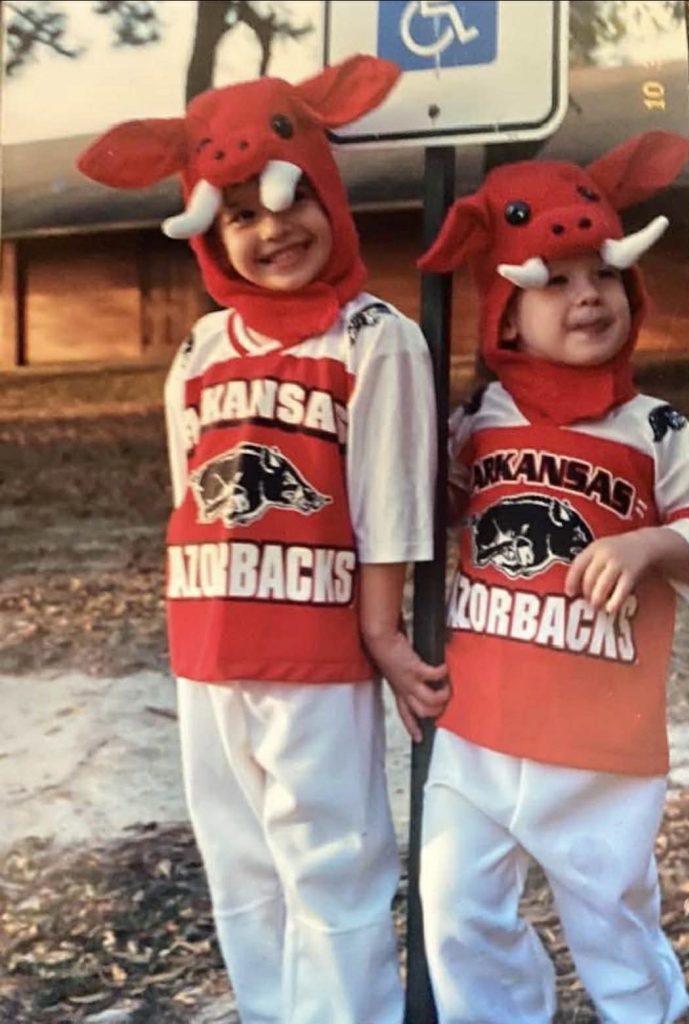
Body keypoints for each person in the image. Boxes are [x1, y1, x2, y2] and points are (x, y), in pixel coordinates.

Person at [77, 55, 448, 1024]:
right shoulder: (200, 347)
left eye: (290, 197)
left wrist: (381, 632)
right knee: (239, 862)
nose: (271, 228)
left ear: (328, 193)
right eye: (239, 215)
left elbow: (390, 497)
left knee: (333, 863)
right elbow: (188, 492)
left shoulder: (373, 337)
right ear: (211, 232)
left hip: (314, 646)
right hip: (209, 647)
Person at [415, 132, 689, 1023]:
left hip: (599, 738)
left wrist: (648, 546)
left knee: (613, 923)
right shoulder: (478, 419)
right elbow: (428, 510)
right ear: (506, 316)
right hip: (478, 724)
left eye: (602, 274)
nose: (588, 294)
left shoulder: (655, 428)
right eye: (555, 279)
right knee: (455, 911)